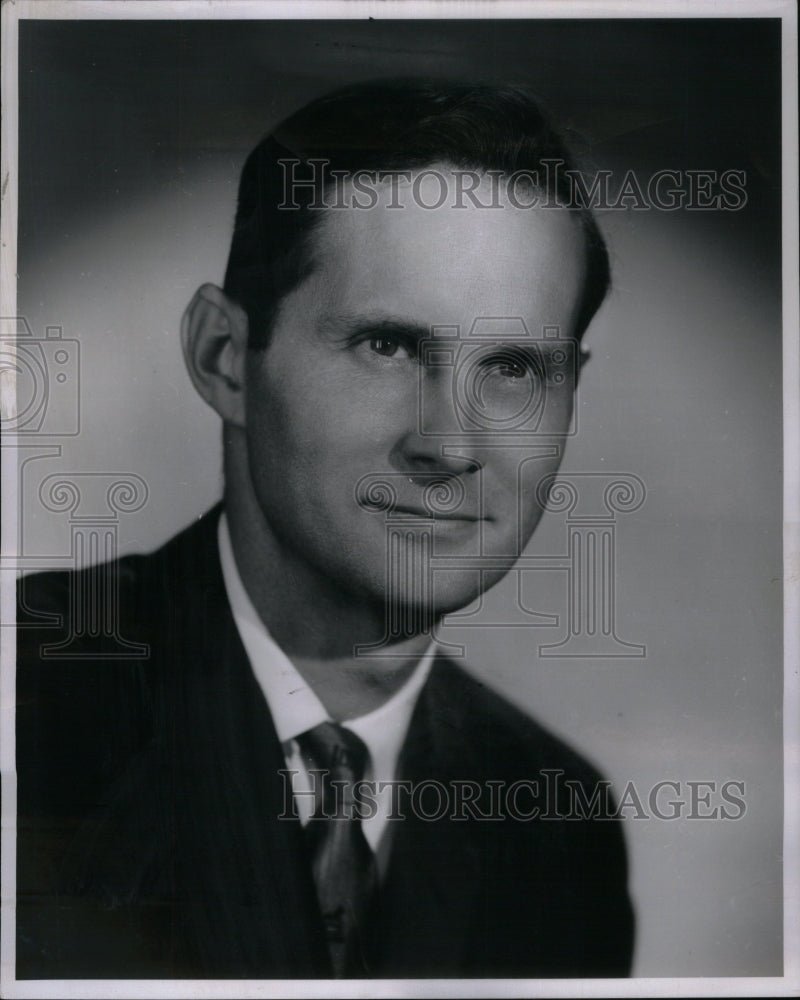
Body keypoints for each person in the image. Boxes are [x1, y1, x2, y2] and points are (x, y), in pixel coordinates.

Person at [16, 79, 635, 979]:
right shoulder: (23, 706)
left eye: (513, 367)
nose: (451, 445)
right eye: (388, 346)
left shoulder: (558, 829)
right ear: (223, 359)